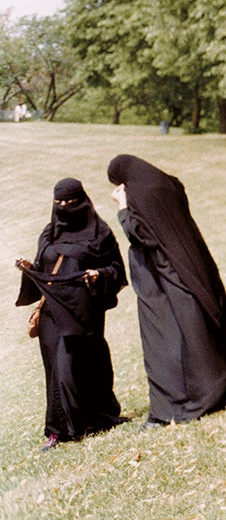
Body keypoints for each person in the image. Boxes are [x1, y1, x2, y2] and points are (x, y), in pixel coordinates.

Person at [106, 155, 226, 425]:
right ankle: (213, 385)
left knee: (162, 339)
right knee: (196, 332)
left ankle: (177, 403)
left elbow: (141, 234)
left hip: (163, 278)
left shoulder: (139, 194)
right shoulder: (167, 184)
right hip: (192, 266)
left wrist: (122, 207)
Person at [14, 179, 127, 451]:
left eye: (70, 203)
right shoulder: (49, 233)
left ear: (83, 201)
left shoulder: (99, 234)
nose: (64, 208)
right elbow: (45, 266)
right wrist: (30, 267)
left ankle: (98, 416)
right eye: (59, 203)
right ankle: (58, 430)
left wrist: (99, 274)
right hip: (53, 311)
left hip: (83, 311)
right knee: (57, 368)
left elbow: (116, 269)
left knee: (85, 362)